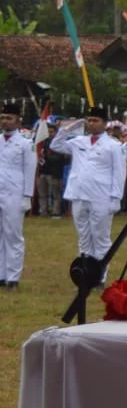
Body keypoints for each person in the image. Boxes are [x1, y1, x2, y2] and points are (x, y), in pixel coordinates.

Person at [50, 106, 126, 285]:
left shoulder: (114, 146)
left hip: (101, 196)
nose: (91, 124)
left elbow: (119, 174)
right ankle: (85, 273)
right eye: (89, 120)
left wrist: (116, 198)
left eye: (95, 121)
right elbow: (55, 145)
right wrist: (66, 129)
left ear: (105, 124)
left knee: (100, 238)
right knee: (84, 237)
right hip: (79, 195)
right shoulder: (79, 142)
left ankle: (100, 276)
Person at [0, 103, 36, 289]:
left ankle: (13, 277)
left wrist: (27, 196)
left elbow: (30, 170)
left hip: (14, 193)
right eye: (3, 118)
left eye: (9, 118)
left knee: (13, 235)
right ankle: (1, 274)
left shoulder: (25, 143)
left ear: (17, 120)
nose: (5, 121)